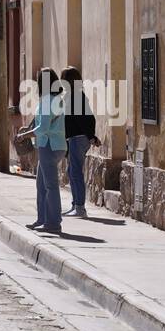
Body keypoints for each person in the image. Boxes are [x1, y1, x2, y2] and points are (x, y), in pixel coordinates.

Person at [19, 68, 66, 234]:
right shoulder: (58, 100)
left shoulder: (47, 101)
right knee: (41, 184)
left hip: (49, 145)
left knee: (50, 185)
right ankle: (42, 219)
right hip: (58, 145)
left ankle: (53, 222)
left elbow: (43, 128)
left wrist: (24, 135)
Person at [60, 66, 98, 218]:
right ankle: (75, 205)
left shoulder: (76, 96)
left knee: (75, 172)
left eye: (63, 79)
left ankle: (80, 208)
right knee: (72, 171)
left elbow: (83, 119)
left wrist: (90, 136)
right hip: (74, 138)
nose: (61, 82)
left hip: (78, 138)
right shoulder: (72, 95)